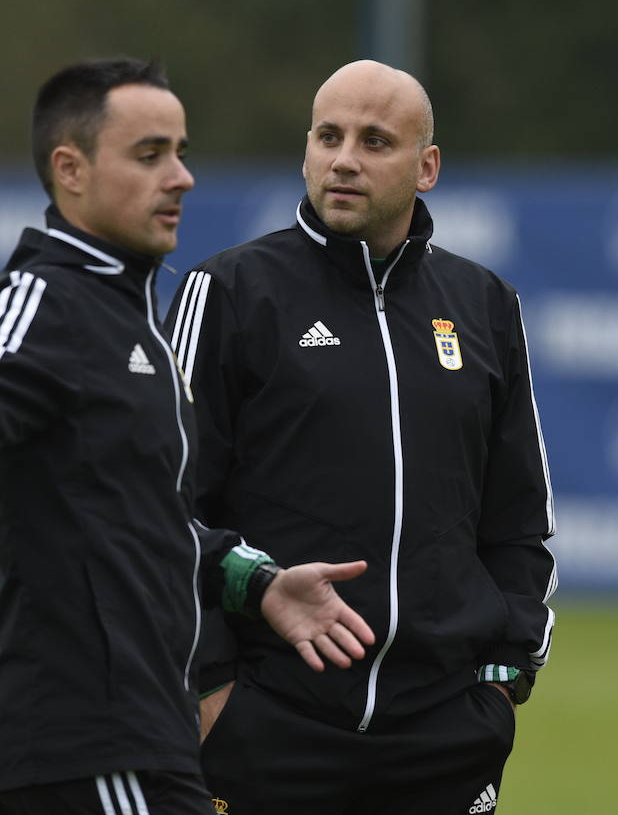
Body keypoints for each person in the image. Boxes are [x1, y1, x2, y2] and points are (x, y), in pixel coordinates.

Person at [0, 57, 375, 815]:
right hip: (89, 736)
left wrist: (258, 583)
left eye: (181, 151)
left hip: (142, 735)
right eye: (150, 154)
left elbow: (143, 522)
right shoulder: (48, 297)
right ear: (70, 169)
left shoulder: (131, 315)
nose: (181, 176)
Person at [164, 59, 557, 813]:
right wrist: (214, 694)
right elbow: (164, 508)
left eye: (375, 140)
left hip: (446, 736)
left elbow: (519, 520)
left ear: (427, 166)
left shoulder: (485, 305)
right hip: (270, 730)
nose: (344, 158)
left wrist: (505, 680)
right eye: (329, 136)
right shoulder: (231, 291)